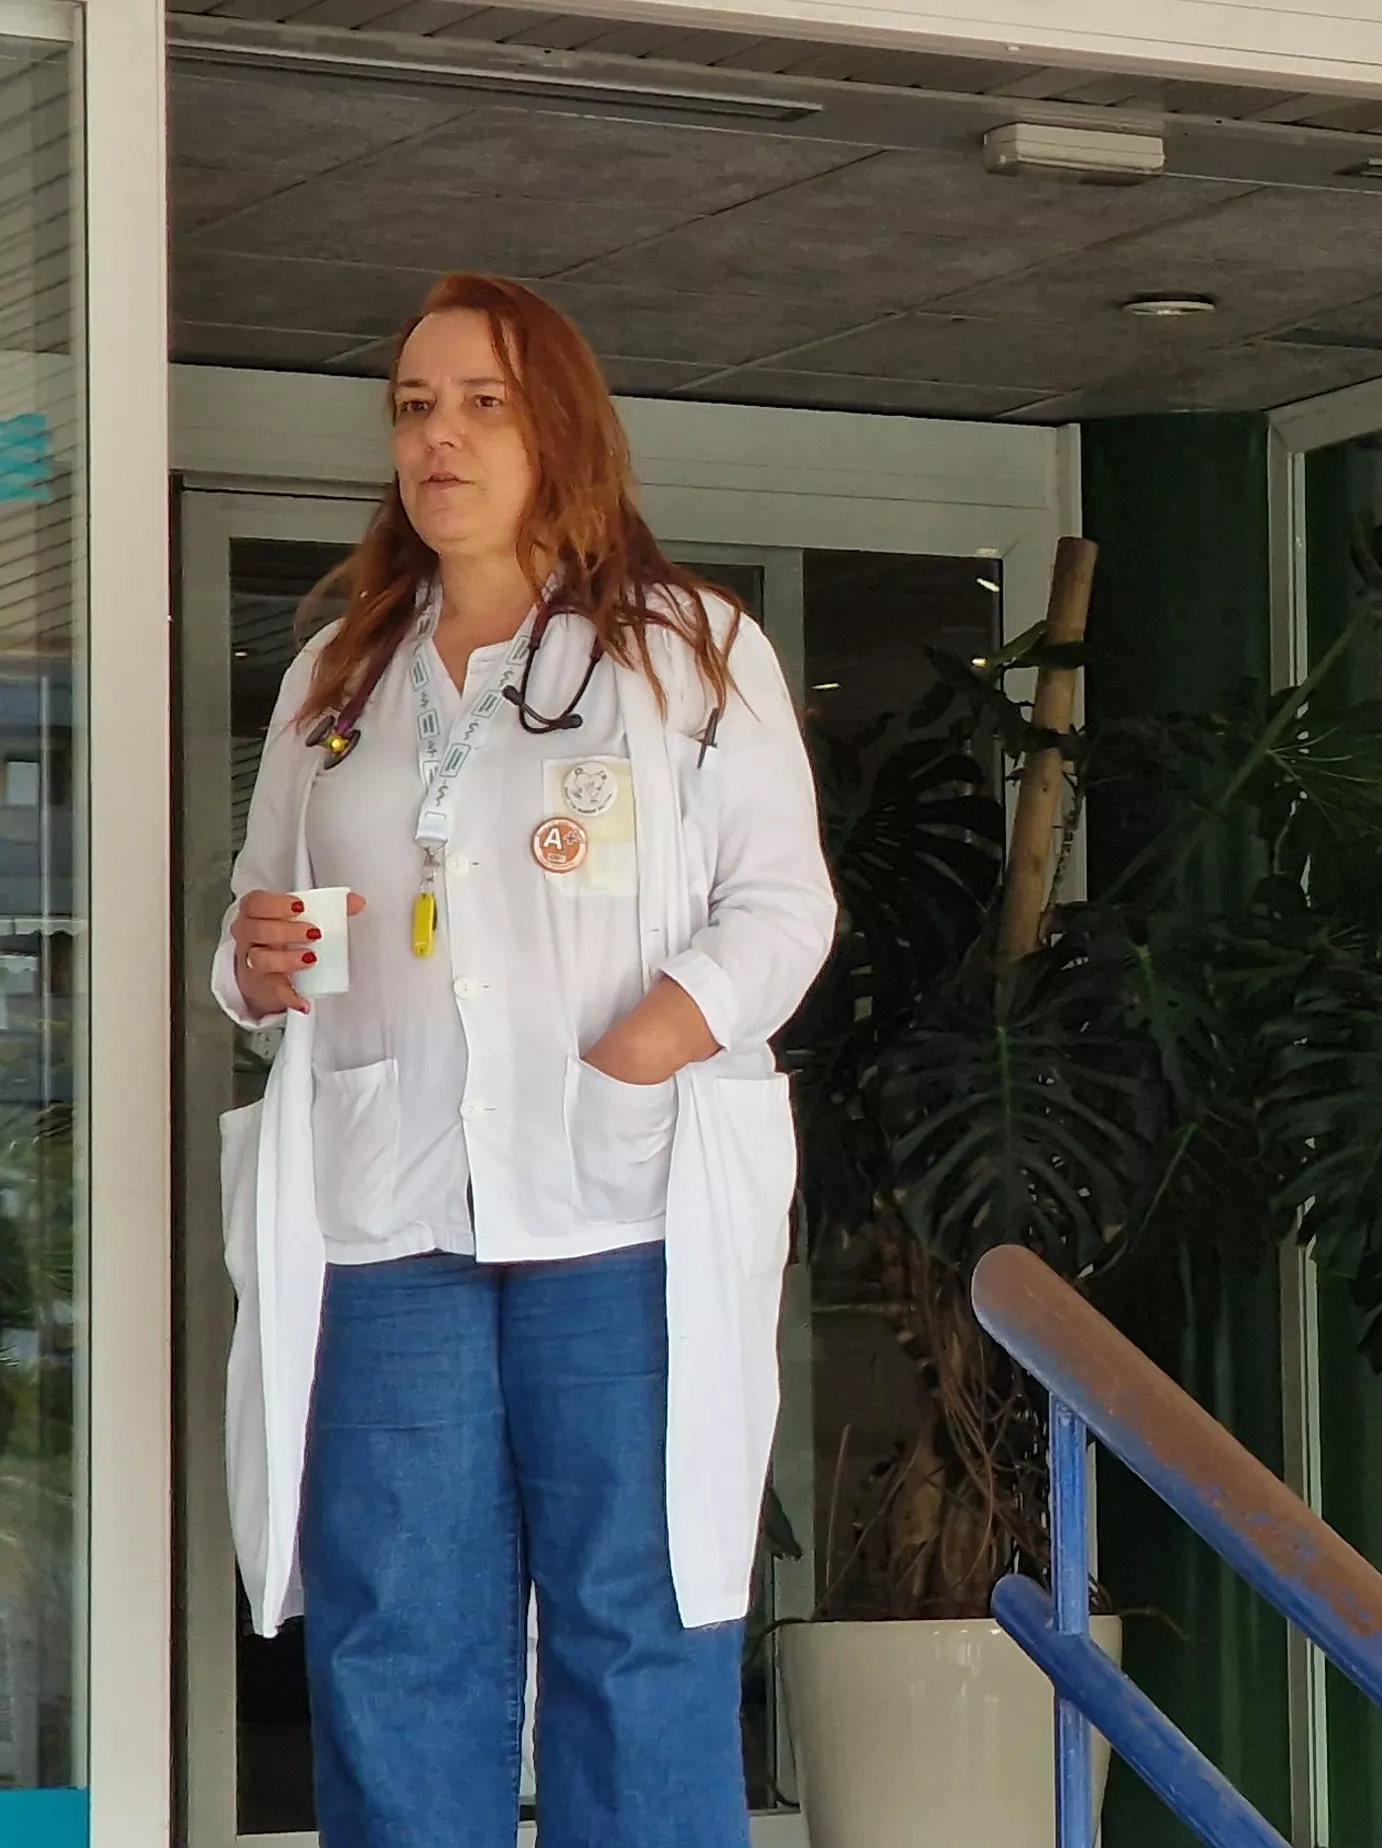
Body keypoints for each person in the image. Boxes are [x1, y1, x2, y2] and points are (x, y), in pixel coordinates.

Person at [211, 272, 834, 1846]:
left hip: (616, 1214)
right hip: (393, 1220)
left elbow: (783, 906)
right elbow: (252, 930)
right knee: (394, 1634)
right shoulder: (336, 677)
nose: (441, 437)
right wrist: (256, 964)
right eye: (415, 405)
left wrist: (649, 1045)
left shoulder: (689, 654)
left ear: (560, 426)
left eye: (482, 402)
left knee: (638, 1625)